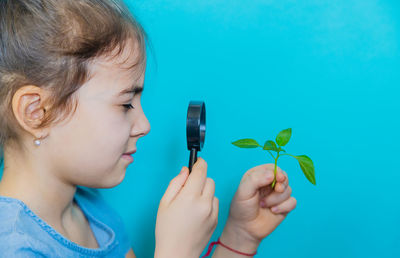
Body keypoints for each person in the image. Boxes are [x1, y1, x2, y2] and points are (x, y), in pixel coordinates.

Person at [0, 0, 297, 257]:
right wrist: (175, 251)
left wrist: (239, 237)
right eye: (126, 104)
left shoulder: (91, 213)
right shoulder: (12, 247)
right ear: (37, 113)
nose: (145, 125)